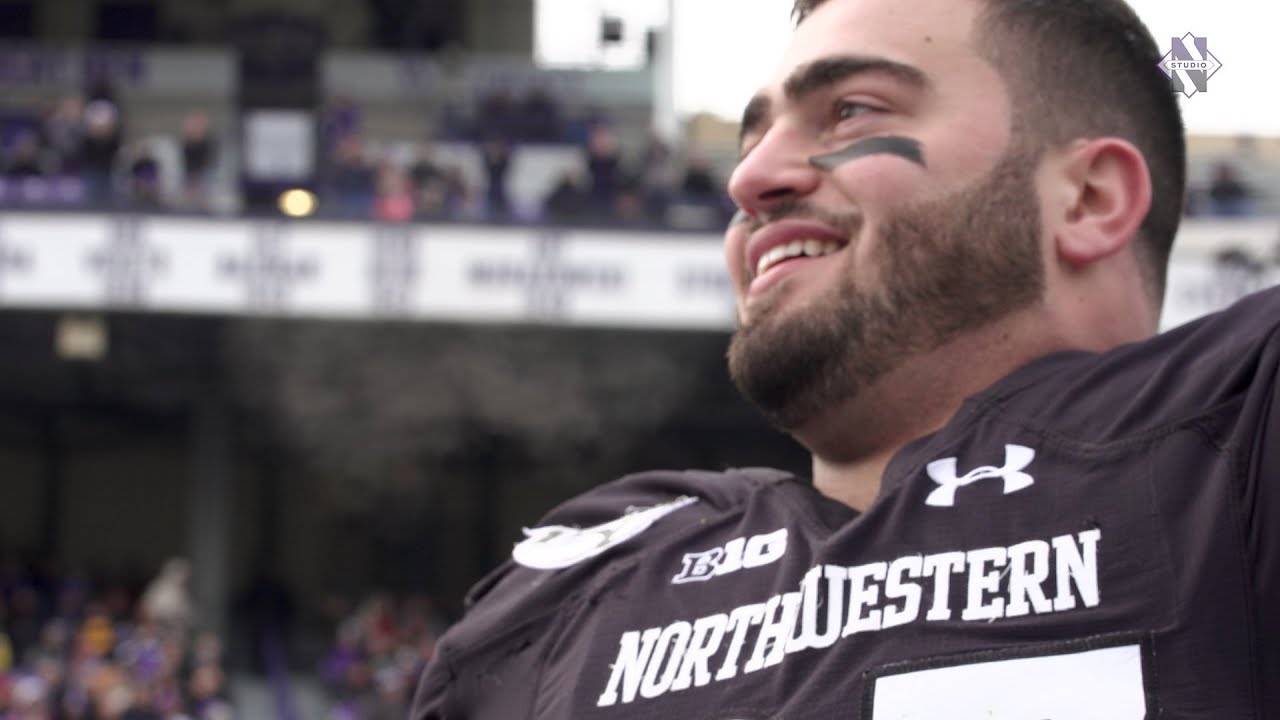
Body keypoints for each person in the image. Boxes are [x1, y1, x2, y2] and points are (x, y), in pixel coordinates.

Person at [410, 0, 1279, 717]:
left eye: (854, 109)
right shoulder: (579, 586)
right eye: (751, 138)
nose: (749, 179)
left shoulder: (1233, 450)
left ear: (1087, 197)